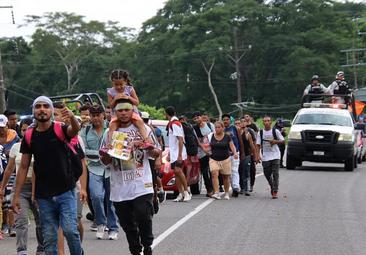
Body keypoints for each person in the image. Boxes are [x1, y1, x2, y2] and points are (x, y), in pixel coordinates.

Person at [12, 96, 87, 255]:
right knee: (50, 237)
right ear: (34, 111)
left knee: (69, 231)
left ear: (52, 110)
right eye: (38, 106)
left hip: (66, 190)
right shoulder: (29, 135)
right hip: (43, 195)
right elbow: (24, 166)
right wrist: (16, 195)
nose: (42, 109)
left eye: (46, 106)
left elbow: (74, 130)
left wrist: (72, 117)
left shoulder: (60, 128)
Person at [100, 98, 161, 255]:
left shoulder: (144, 129)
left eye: (127, 109)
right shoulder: (110, 132)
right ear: (115, 113)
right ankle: (135, 249)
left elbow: (156, 152)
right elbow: (104, 161)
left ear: (132, 111)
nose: (123, 113)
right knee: (127, 223)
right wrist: (108, 151)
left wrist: (144, 145)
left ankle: (147, 245)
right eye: (120, 110)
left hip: (142, 182)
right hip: (120, 186)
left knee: (143, 214)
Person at [0, 117, 45, 254]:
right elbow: (8, 169)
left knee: (41, 221)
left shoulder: (41, 146)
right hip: (20, 188)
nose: (26, 133)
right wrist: (2, 187)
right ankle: (22, 250)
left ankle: (41, 248)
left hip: (39, 188)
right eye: (24, 130)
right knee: (21, 221)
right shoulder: (16, 147)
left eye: (29, 130)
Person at [81, 104, 119, 240]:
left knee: (111, 199)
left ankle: (113, 227)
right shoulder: (85, 131)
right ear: (90, 116)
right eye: (93, 115)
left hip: (110, 169)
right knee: (96, 196)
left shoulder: (112, 128)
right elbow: (83, 151)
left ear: (103, 115)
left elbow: (116, 147)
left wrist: (106, 154)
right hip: (93, 169)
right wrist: (101, 153)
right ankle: (100, 222)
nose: (96, 118)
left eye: (98, 115)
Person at [107, 69, 152, 147]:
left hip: (132, 112)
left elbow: (137, 102)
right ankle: (110, 143)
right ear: (112, 83)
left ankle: (146, 140)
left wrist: (128, 97)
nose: (118, 87)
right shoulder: (111, 92)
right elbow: (111, 105)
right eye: (116, 85)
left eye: (121, 84)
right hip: (117, 113)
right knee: (112, 125)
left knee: (139, 122)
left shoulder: (129, 89)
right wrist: (115, 99)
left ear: (125, 81)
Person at [165, 106, 191, 202]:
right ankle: (180, 193)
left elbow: (180, 139)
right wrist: (170, 154)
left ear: (166, 114)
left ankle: (186, 192)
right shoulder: (172, 123)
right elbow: (172, 141)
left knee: (178, 171)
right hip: (174, 152)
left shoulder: (175, 124)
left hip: (178, 152)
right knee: (176, 173)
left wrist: (180, 154)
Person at [0, 114, 20, 237]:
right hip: (0, 171)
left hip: (12, 171)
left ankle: (11, 226)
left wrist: (9, 153)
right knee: (2, 200)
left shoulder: (14, 137)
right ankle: (4, 224)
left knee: (8, 199)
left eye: (3, 127)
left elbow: (19, 151)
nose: (1, 130)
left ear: (7, 125)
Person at [207, 121, 238, 200]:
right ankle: (216, 193)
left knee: (226, 177)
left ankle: (226, 192)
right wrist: (207, 151)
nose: (217, 129)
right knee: (214, 173)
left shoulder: (227, 137)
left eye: (219, 127)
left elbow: (232, 146)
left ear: (222, 128)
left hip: (225, 159)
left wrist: (235, 153)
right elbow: (207, 145)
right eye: (215, 127)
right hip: (213, 158)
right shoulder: (211, 136)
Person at [256, 116, 285, 199]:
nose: (266, 122)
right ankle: (272, 185)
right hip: (265, 156)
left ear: (271, 122)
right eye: (265, 121)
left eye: (268, 121)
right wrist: (257, 156)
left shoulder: (275, 131)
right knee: (267, 173)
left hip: (275, 155)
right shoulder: (260, 133)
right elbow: (258, 145)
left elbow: (283, 141)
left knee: (275, 173)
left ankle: (275, 190)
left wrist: (275, 141)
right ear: (263, 122)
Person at [141, 112, 166, 204]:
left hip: (150, 159)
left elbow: (158, 145)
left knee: (151, 182)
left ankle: (154, 199)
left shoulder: (149, 129)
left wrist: (158, 158)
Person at [222, 113, 244, 197]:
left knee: (234, 170)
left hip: (235, 153)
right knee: (228, 172)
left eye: (227, 119)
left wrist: (242, 153)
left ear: (230, 120)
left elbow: (240, 140)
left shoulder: (235, 128)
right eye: (224, 120)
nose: (225, 121)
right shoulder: (221, 129)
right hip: (225, 154)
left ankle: (235, 188)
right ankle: (232, 186)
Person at [192, 111, 214, 197]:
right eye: (194, 118)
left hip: (212, 151)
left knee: (212, 171)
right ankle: (209, 190)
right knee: (204, 172)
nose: (196, 119)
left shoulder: (209, 125)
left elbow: (215, 136)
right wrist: (204, 148)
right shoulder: (194, 128)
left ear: (201, 117)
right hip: (201, 153)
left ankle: (213, 188)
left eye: (198, 117)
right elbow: (197, 140)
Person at [239, 119, 259, 196]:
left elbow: (252, 146)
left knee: (246, 171)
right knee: (239, 171)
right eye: (241, 122)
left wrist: (255, 156)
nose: (242, 123)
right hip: (238, 155)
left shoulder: (248, 133)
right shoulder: (237, 132)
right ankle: (242, 188)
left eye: (244, 122)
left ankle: (247, 188)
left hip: (247, 155)